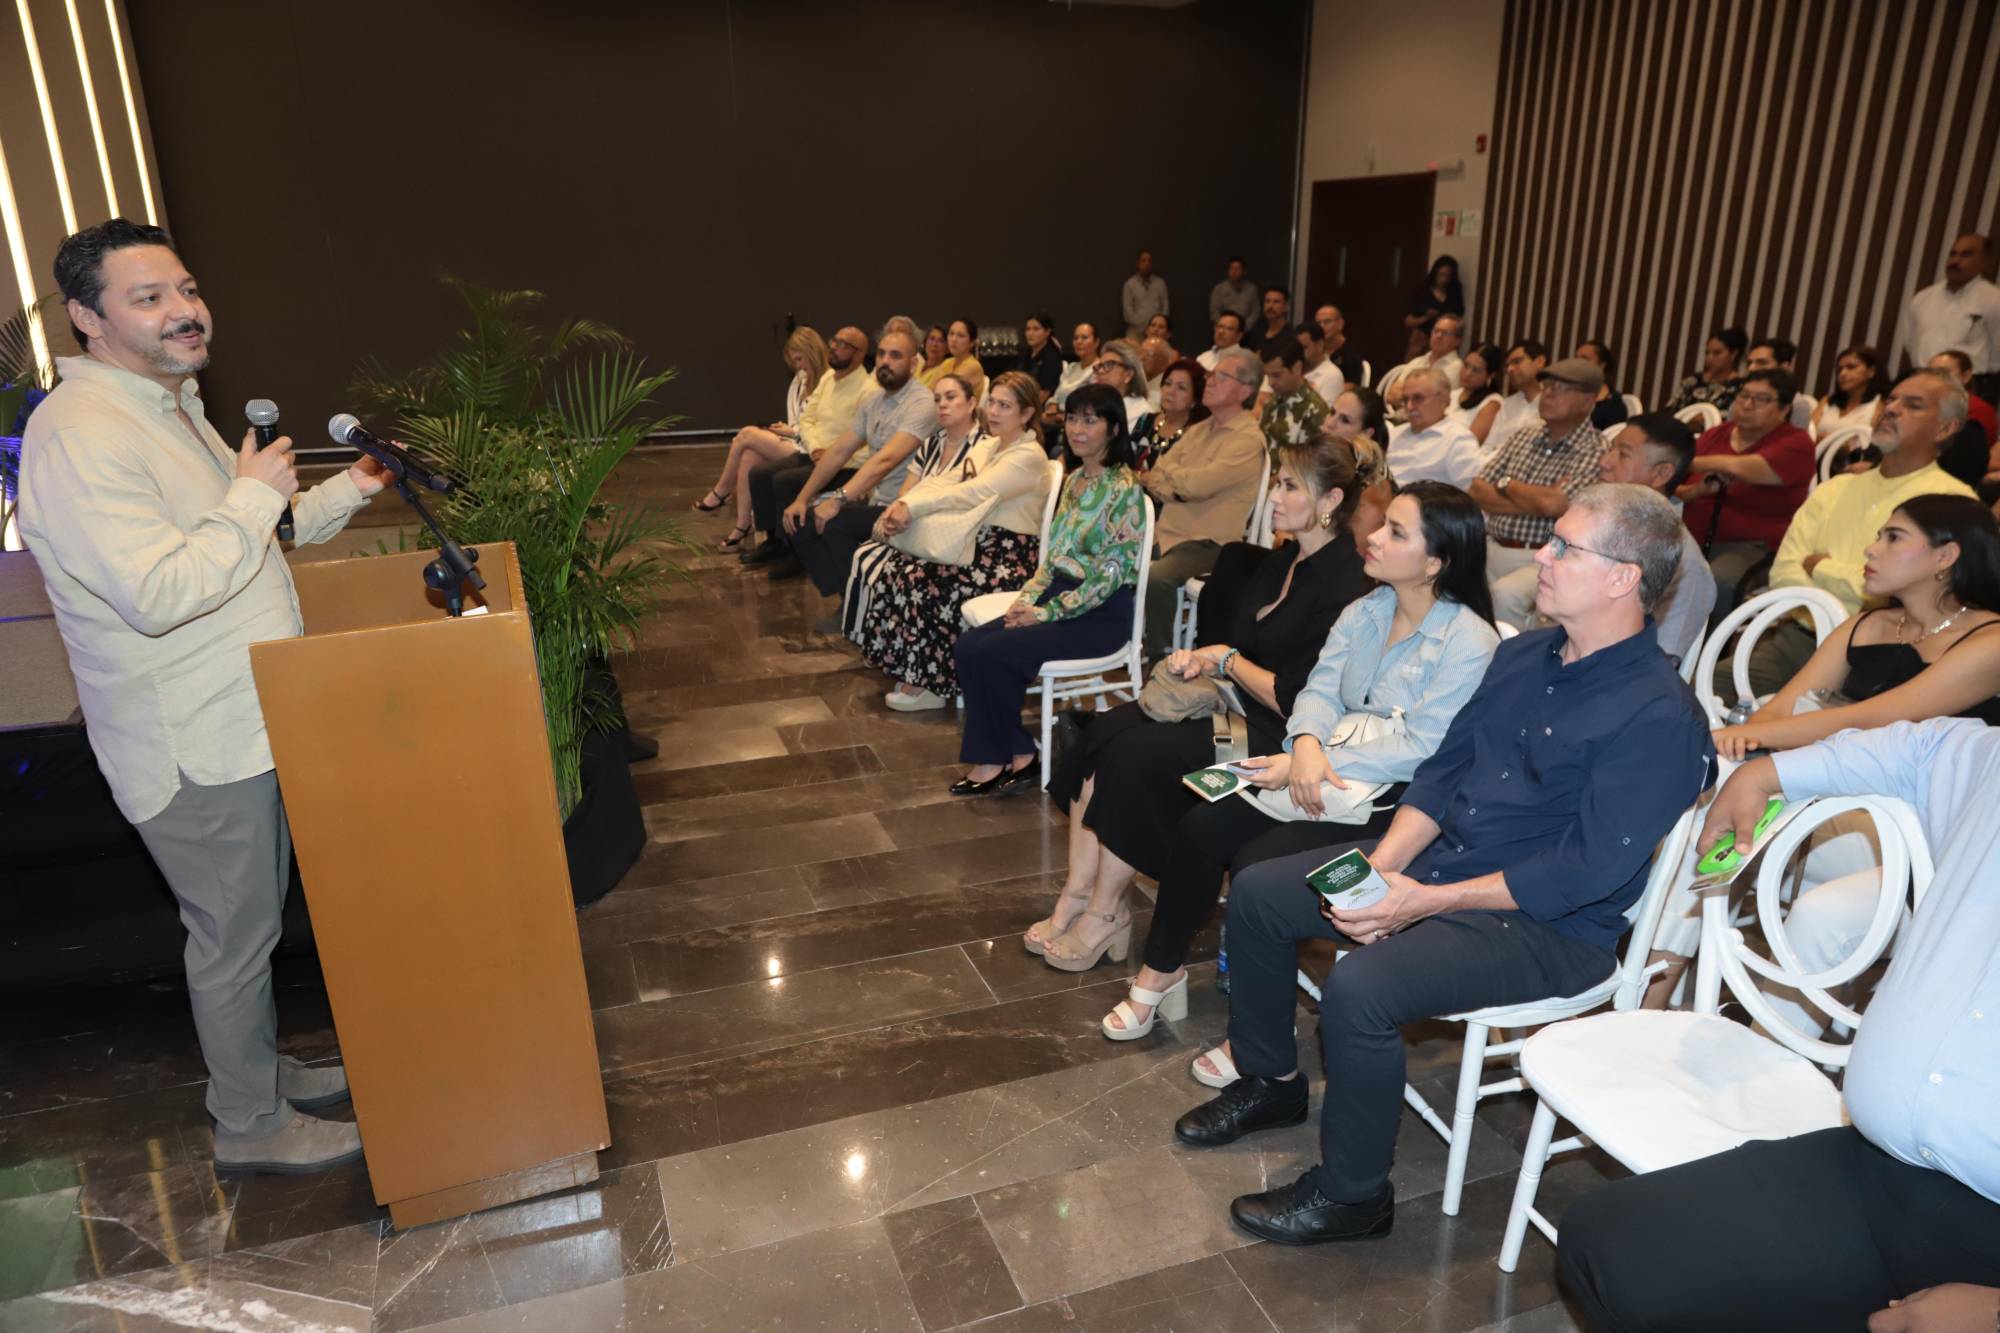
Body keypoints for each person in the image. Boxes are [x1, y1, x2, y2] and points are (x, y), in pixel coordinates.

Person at [1174, 483, 1713, 1247]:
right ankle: (1272, 1080)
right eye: (1550, 539)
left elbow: (1580, 873)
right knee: (1262, 892)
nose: (1541, 555)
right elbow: (1443, 772)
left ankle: (1354, 1197)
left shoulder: (1659, 715)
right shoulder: (1525, 652)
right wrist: (1384, 874)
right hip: (1445, 864)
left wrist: (1419, 902)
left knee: (1358, 987)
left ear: (1625, 577)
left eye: (1565, 545)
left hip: (1545, 924)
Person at [17, 218, 398, 1173]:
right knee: (231, 935)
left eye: (185, 288)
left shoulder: (166, 405)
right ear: (87, 320)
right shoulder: (82, 436)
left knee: (253, 922)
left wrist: (348, 486)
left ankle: (260, 1073)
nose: (184, 309)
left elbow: (244, 542)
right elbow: (159, 592)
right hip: (193, 740)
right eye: (148, 297)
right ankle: (249, 1124)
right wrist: (253, 498)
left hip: (247, 716)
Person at [1558, 719, 2000, 1333]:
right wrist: (1767, 772)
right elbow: (1921, 748)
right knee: (1606, 1243)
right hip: (1882, 1169)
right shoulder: (1990, 759)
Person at [1090, 484, 1499, 1053]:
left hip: (1401, 803)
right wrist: (1305, 744)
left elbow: (1424, 745)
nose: (1373, 537)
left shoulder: (1469, 641)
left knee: (1258, 862)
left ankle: (1259, 1035)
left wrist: (1314, 758)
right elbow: (1319, 691)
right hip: (1324, 769)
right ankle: (1161, 973)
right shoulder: (1368, 609)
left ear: (1436, 562)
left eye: (1396, 533)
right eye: (1382, 526)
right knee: (1202, 826)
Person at [1032, 437, 1382, 972]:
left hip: (1281, 737)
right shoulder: (1284, 560)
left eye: (1289, 486)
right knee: (1104, 732)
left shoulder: (1345, 585)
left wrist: (1226, 661)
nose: (1274, 496)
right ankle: (1078, 896)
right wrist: (1207, 664)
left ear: (1331, 501)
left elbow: (1298, 699)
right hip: (1234, 707)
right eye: (1278, 483)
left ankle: (1106, 915)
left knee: (1136, 758)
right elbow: (1242, 649)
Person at [1649, 496, 2000, 1022]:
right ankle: (1652, 987)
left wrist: (1749, 737)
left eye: (1893, 538)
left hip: (1920, 834)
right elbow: (1787, 706)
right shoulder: (1866, 626)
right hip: (1834, 808)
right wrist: (1749, 738)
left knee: (1725, 793)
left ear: (1945, 556)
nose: (1870, 548)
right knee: (1707, 804)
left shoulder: (1988, 642)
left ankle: (1735, 1035)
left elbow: (1880, 721)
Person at [950, 384, 1146, 795]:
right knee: (969, 646)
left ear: (1113, 429)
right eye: (1073, 418)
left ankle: (993, 759)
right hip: (1057, 595)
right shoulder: (1075, 481)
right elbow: (1051, 559)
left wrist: (1045, 612)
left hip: (1100, 612)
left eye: (1090, 420)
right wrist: (1026, 601)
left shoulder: (1125, 489)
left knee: (996, 651)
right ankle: (1019, 751)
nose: (1077, 429)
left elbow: (1109, 575)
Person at [1751, 370, 1979, 693]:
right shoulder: (1836, 488)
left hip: (1883, 654)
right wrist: (1856, 592)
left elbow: (1924, 598)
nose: (1891, 409)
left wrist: (1822, 568)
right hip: (1799, 637)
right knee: (1705, 695)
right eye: (1891, 400)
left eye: (1912, 405)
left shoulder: (1954, 503)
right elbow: (1785, 571)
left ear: (1945, 428)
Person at [858, 371, 1051, 710]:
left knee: (923, 580)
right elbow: (945, 480)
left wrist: (913, 505)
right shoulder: (990, 446)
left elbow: (971, 492)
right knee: (898, 567)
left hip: (1008, 557)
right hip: (979, 544)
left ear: (1026, 414)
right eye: (992, 402)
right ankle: (909, 667)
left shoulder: (1028, 456)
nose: (993, 411)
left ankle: (935, 682)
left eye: (1005, 406)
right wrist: (904, 504)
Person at [779, 327, 940, 590]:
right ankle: (848, 599)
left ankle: (858, 604)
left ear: (913, 364)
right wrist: (802, 498)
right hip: (877, 500)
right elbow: (840, 451)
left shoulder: (921, 403)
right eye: (883, 354)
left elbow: (885, 461)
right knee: (800, 521)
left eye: (896, 356)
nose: (886, 361)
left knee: (834, 524)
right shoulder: (874, 400)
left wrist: (838, 498)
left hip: (905, 510)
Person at [1138, 346, 1268, 659]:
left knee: (1157, 578)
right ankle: (1127, 642)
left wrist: (1178, 483)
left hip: (1209, 544)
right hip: (1167, 533)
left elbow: (1197, 484)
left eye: (1221, 376)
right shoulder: (1200, 429)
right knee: (1115, 557)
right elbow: (1157, 474)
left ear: (1245, 390)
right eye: (1212, 374)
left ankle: (1161, 658)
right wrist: (1180, 484)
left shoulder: (1248, 440)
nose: (1209, 381)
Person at [1470, 356, 1608, 628]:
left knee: (1506, 595)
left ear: (1588, 400)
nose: (1549, 393)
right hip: (1490, 544)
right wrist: (1537, 499)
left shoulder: (1597, 449)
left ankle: (1509, 669)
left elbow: (1556, 506)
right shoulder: (1524, 435)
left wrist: (1506, 485)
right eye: (1547, 386)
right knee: (1440, 573)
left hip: (1544, 557)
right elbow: (1476, 489)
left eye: (1563, 388)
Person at [1677, 367, 1817, 619]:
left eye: (1762, 399)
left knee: (1720, 582)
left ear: (1784, 409)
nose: (1748, 404)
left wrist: (1692, 462)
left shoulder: (1796, 443)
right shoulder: (1715, 435)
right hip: (1689, 536)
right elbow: (1674, 485)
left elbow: (1748, 468)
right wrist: (1696, 490)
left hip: (1754, 545)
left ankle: (1708, 655)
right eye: (1743, 396)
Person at [742, 326, 877, 565]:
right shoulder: (827, 379)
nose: (834, 347)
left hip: (842, 464)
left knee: (784, 481)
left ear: (858, 354)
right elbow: (807, 418)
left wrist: (832, 454)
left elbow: (868, 442)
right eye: (834, 341)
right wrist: (815, 447)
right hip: (815, 454)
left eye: (843, 344)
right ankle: (773, 541)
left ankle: (793, 553)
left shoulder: (868, 389)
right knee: (759, 473)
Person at [1595, 414, 1715, 666]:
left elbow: (1659, 661)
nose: (1603, 462)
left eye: (1623, 454)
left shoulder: (1683, 562)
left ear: (1661, 473)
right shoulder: (1595, 524)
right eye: (1610, 450)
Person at [697, 325, 830, 550]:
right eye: (794, 362)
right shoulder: (799, 380)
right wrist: (787, 429)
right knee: (749, 456)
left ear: (812, 352)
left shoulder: (829, 380)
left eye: (800, 359)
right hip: (795, 440)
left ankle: (721, 492)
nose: (798, 366)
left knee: (746, 435)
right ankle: (742, 526)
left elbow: (825, 428)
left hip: (811, 448)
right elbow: (798, 419)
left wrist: (794, 432)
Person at [1899, 232, 1999, 395]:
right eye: (1953, 254)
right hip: (1923, 381)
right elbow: (1910, 342)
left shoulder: (1994, 300)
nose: (1955, 261)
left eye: (1966, 255)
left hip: (1971, 387)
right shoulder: (1923, 298)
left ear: (1984, 262)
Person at [1387, 367, 1484, 488]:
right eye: (1405, 399)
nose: (1409, 406)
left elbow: (1470, 491)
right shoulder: (1393, 434)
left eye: (1418, 398)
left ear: (1444, 400)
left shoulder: (1458, 439)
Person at [1926, 348, 1999, 495]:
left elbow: (1973, 461)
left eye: (1943, 373)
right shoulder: (1926, 404)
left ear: (1966, 376)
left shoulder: (1977, 409)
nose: (1935, 378)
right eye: (1930, 372)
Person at [1257, 339, 1329, 457]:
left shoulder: (1315, 410)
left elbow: (1308, 467)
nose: (1270, 382)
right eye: (1267, 375)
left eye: (1276, 375)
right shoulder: (1273, 401)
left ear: (1297, 367)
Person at [1134, 358, 1207, 472]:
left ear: (1195, 400)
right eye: (1168, 383)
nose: (1170, 392)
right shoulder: (1145, 420)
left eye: (1181, 388)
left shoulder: (1195, 437)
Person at [1474, 339, 1548, 448]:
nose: (1510, 369)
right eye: (1507, 366)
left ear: (1539, 362)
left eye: (1517, 362)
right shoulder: (1507, 405)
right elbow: (1488, 447)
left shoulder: (1554, 404)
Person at [1383, 314, 1464, 411]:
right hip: (1400, 418)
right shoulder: (1417, 362)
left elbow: (1439, 406)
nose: (1438, 336)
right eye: (1436, 331)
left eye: (1445, 333)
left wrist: (1407, 396)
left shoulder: (1458, 368)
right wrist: (1419, 399)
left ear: (1457, 341)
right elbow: (1391, 396)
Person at [1665, 325, 1748, 413]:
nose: (1709, 358)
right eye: (1707, 353)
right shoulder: (1692, 381)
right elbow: (1668, 410)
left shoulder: (1740, 387)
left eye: (1717, 353)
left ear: (1733, 354)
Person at [1814, 343, 1889, 436]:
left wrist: (1831, 441)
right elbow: (1809, 434)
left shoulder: (1881, 405)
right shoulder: (1827, 401)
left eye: (1851, 367)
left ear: (1871, 372)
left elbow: (1873, 443)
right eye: (1839, 369)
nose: (1843, 373)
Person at [1401, 254, 1466, 358]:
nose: (1444, 279)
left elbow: (1459, 317)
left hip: (1445, 340)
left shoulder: (1454, 293)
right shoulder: (1423, 291)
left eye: (1447, 276)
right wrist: (1426, 317)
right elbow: (1408, 321)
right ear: (1435, 273)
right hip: (1422, 337)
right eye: (1441, 275)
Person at [1091, 339, 1155, 435]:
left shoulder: (1143, 415)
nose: (1100, 371)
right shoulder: (1096, 406)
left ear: (1128, 375)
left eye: (1109, 365)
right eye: (1099, 366)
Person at [1448, 341, 1505, 433]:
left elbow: (1472, 442)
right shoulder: (1452, 394)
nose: (1467, 373)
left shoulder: (1492, 403)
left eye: (1476, 370)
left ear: (1491, 375)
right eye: (1466, 366)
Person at [1575, 339, 1631, 432]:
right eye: (1576, 358)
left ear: (1602, 365)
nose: (1578, 364)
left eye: (1585, 359)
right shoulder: (1566, 394)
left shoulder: (1614, 405)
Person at [1313, 303, 1368, 389]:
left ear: (1340, 324)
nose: (1322, 326)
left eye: (1327, 322)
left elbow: (1351, 387)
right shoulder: (1314, 352)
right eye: (1318, 323)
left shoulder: (1350, 354)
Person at [1122, 249, 1169, 339]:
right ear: (1137, 263)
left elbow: (1165, 309)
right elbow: (1128, 314)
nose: (1146, 264)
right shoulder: (1129, 285)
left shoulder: (1160, 283)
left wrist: (1156, 327)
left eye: (1149, 261)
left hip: (1157, 333)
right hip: (1136, 333)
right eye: (1143, 261)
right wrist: (1146, 328)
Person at [1297, 321, 1345, 406]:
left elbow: (1325, 415)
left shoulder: (1332, 375)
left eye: (1304, 347)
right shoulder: (1289, 368)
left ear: (1319, 345)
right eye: (1297, 348)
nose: (1299, 352)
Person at [1018, 310, 1064, 399]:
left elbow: (1044, 394)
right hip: (1023, 399)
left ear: (1047, 332)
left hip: (1040, 407)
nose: (1030, 333)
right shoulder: (1026, 353)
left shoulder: (1051, 357)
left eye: (1036, 329)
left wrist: (1023, 411)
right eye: (1028, 329)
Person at [1209, 256, 1257, 326]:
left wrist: (1244, 327)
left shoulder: (1251, 289)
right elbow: (1214, 312)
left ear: (1244, 271)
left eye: (1238, 269)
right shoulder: (1219, 288)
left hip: (1245, 330)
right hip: (1223, 329)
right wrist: (1225, 327)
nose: (1234, 271)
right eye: (1232, 268)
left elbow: (1255, 312)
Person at [1244, 286, 1293, 355]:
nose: (1270, 306)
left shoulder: (1290, 337)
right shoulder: (1256, 331)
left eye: (1276, 302)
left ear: (1286, 307)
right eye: (1267, 301)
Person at [1138, 334, 1174, 404]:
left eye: (1149, 354)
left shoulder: (1166, 389)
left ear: (1164, 362)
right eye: (1141, 352)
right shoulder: (1136, 380)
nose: (1141, 358)